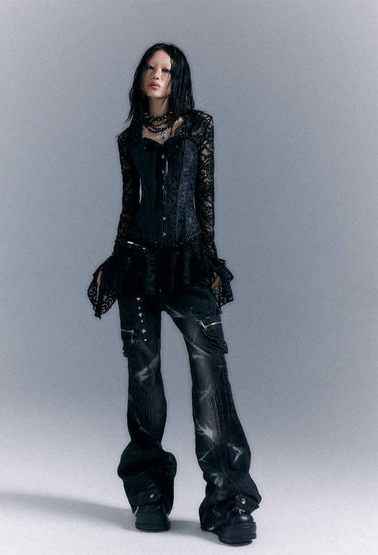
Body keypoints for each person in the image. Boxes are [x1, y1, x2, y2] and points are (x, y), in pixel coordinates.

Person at [87, 43, 262, 545]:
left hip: (187, 262)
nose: (156, 74)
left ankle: (227, 500)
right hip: (139, 265)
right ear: (141, 75)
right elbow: (129, 207)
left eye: (165, 69)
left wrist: (210, 260)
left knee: (210, 378)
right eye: (150, 67)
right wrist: (114, 260)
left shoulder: (199, 127)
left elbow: (205, 198)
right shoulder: (129, 139)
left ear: (176, 77)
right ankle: (148, 492)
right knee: (143, 381)